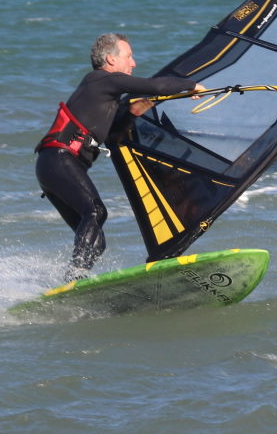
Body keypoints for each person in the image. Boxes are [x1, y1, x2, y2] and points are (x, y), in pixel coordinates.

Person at [34, 33, 201, 281]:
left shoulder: (103, 94)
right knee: (96, 212)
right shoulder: (102, 79)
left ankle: (71, 284)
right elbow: (157, 86)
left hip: (51, 165)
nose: (133, 63)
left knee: (96, 240)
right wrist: (191, 85)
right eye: (129, 56)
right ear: (111, 59)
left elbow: (112, 135)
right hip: (59, 160)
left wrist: (133, 111)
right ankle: (75, 276)